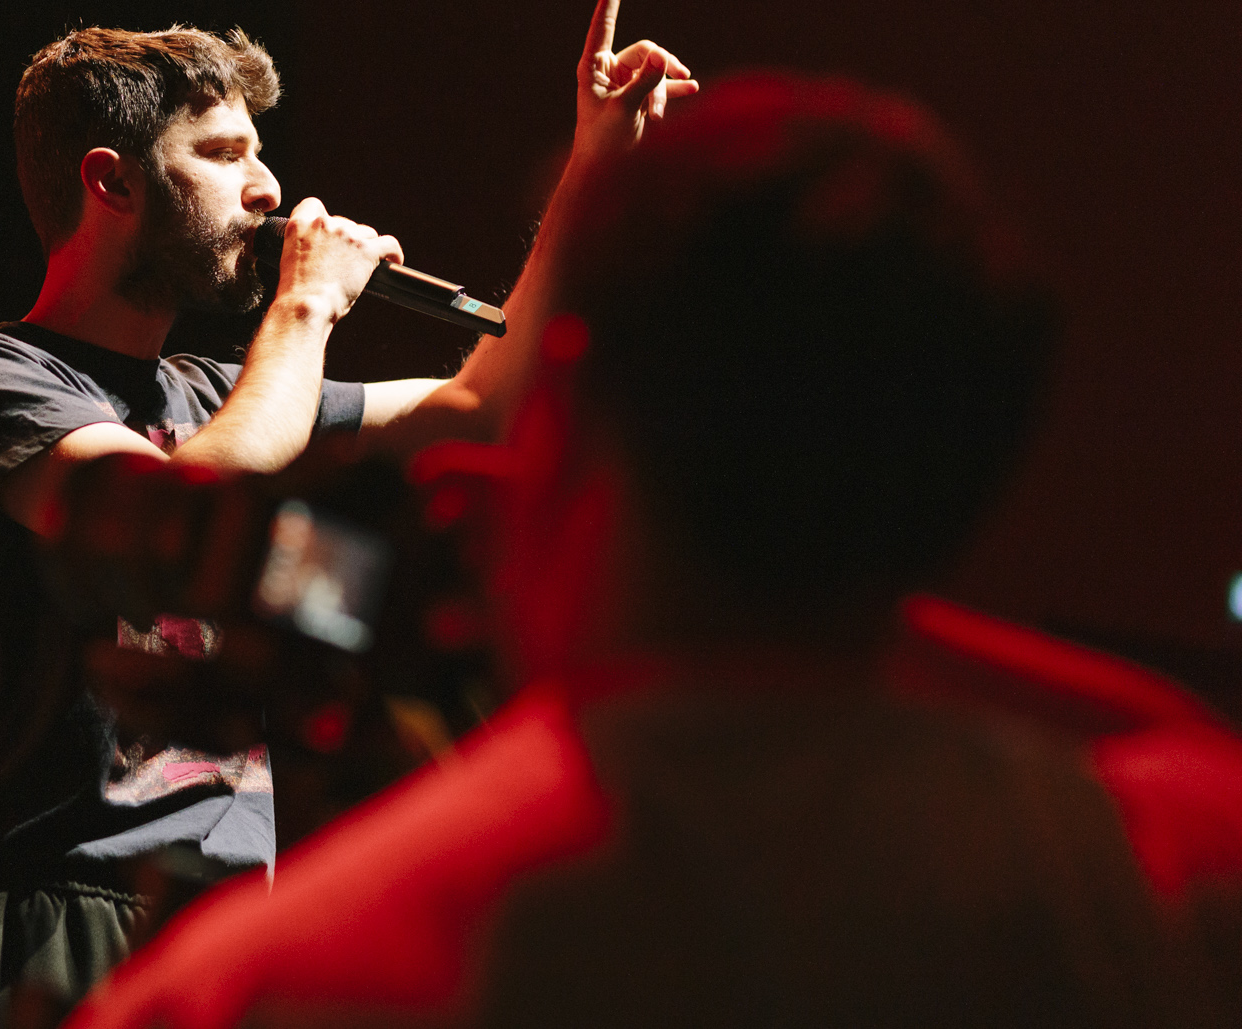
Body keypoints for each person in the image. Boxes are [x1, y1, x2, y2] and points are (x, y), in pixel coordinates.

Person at [69, 75, 1242, 1028]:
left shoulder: (260, 983)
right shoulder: (1166, 878)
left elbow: (445, 410)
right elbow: (1178, 741)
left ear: (564, 403)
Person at [0, 0, 696, 1026]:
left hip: (219, 923)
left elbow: (483, 403)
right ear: (110, 182)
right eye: (223, 154)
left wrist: (596, 162)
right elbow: (178, 513)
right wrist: (306, 305)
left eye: (260, 152)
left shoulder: (225, 390)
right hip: (46, 912)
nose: (268, 190)